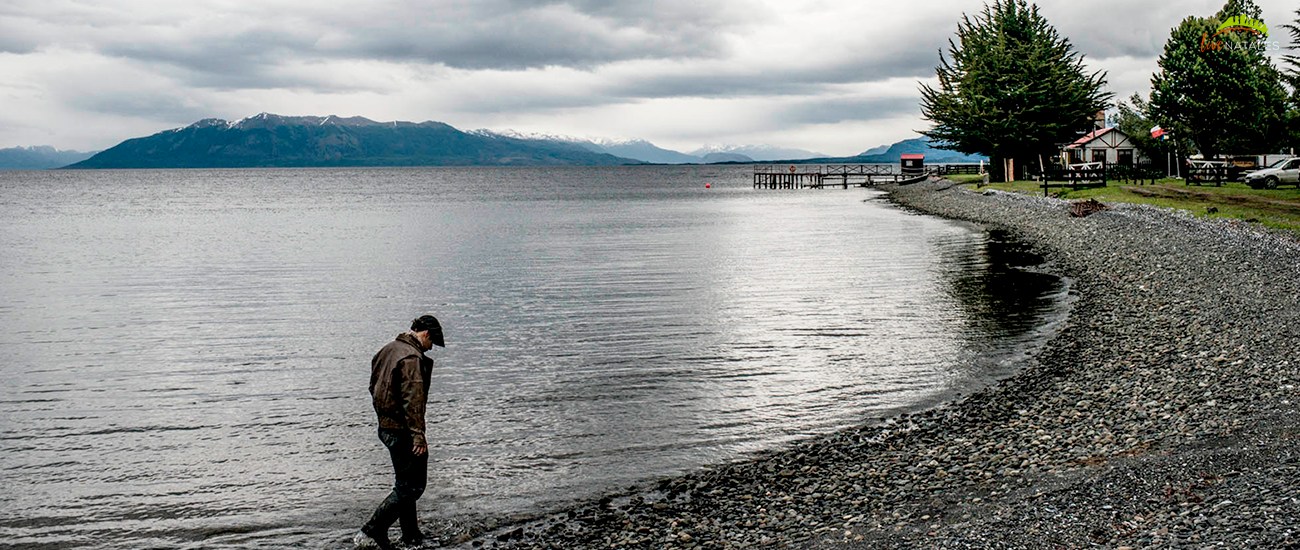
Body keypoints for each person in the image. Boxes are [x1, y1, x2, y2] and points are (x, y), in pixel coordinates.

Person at [357, 315, 445, 550]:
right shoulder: (412, 357)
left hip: (386, 427)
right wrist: (418, 435)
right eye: (432, 342)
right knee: (412, 487)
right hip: (403, 430)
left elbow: (372, 386)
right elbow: (413, 400)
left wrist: (383, 416)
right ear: (426, 334)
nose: (431, 347)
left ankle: (411, 535)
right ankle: (373, 529)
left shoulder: (387, 350)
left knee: (404, 483)